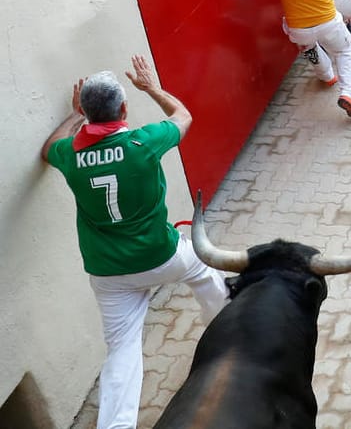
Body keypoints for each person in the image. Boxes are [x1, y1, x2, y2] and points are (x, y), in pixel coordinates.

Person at [40, 55, 229, 429]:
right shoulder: (143, 142)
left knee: (122, 352)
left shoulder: (71, 155)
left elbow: (49, 147)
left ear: (88, 113)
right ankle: (228, 334)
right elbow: (183, 117)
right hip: (162, 255)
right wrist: (152, 87)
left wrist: (76, 114)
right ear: (124, 108)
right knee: (205, 272)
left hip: (109, 274)